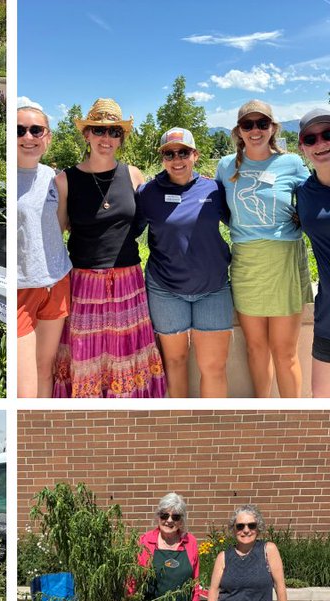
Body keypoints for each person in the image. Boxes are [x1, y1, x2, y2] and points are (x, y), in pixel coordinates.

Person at [53, 98, 166, 397]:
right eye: (99, 131)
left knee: (127, 358)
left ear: (121, 138)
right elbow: (55, 234)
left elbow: (150, 218)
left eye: (114, 132)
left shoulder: (134, 175)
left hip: (128, 281)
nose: (107, 139)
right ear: (86, 134)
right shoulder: (65, 181)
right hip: (83, 283)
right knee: (85, 357)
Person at [216, 100, 311, 397]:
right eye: (248, 125)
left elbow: (313, 197)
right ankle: (264, 412)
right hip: (246, 261)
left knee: (284, 351)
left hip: (283, 260)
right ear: (239, 131)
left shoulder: (292, 164)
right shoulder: (225, 166)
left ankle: (294, 419)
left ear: (273, 128)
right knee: (256, 348)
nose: (255, 130)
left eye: (262, 124)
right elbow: (218, 208)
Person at [135, 128, 233, 397]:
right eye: (169, 153)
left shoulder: (214, 190)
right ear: (162, 158)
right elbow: (125, 230)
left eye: (183, 152)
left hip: (213, 288)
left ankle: (214, 429)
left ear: (195, 155)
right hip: (165, 290)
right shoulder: (147, 194)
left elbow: (242, 222)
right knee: (175, 364)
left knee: (213, 367)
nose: (177, 159)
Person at [17, 98, 72, 398]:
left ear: (47, 137)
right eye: (19, 130)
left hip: (56, 281)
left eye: (36, 130)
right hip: (21, 289)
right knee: (24, 391)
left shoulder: (54, 178)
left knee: (45, 369)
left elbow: (61, 225)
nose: (28, 137)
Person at [203, 505, 288, 601]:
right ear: (234, 529)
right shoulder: (223, 557)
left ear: (258, 528)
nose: (246, 530)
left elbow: (280, 586)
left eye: (251, 525)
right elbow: (214, 590)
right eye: (240, 526)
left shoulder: (268, 550)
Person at [295, 104, 330, 398]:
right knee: (320, 404)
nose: (321, 144)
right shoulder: (304, 195)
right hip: (328, 315)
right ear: (302, 148)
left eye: (328, 133)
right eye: (311, 139)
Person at [136, 493, 201, 601]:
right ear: (158, 517)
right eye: (164, 516)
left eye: (175, 517)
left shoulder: (190, 542)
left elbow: (195, 583)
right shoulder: (145, 541)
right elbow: (134, 580)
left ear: (181, 520)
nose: (169, 521)